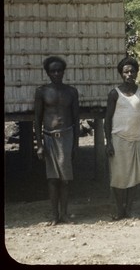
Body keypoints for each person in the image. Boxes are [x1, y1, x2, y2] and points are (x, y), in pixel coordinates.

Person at [34, 56, 79, 226]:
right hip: (49, 137)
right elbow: (37, 119)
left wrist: (75, 145)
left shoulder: (71, 92)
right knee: (52, 179)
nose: (57, 73)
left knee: (66, 179)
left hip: (66, 136)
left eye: (59, 70)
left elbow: (76, 118)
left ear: (63, 71)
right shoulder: (42, 91)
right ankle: (54, 216)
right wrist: (39, 144)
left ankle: (65, 214)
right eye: (53, 71)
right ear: (48, 73)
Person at [104, 57, 140, 220]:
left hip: (136, 139)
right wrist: (108, 142)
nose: (129, 74)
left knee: (134, 176)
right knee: (118, 176)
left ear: (137, 72)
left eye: (132, 71)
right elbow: (108, 119)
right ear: (121, 74)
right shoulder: (114, 94)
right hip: (119, 139)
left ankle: (129, 209)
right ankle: (119, 210)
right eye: (126, 71)